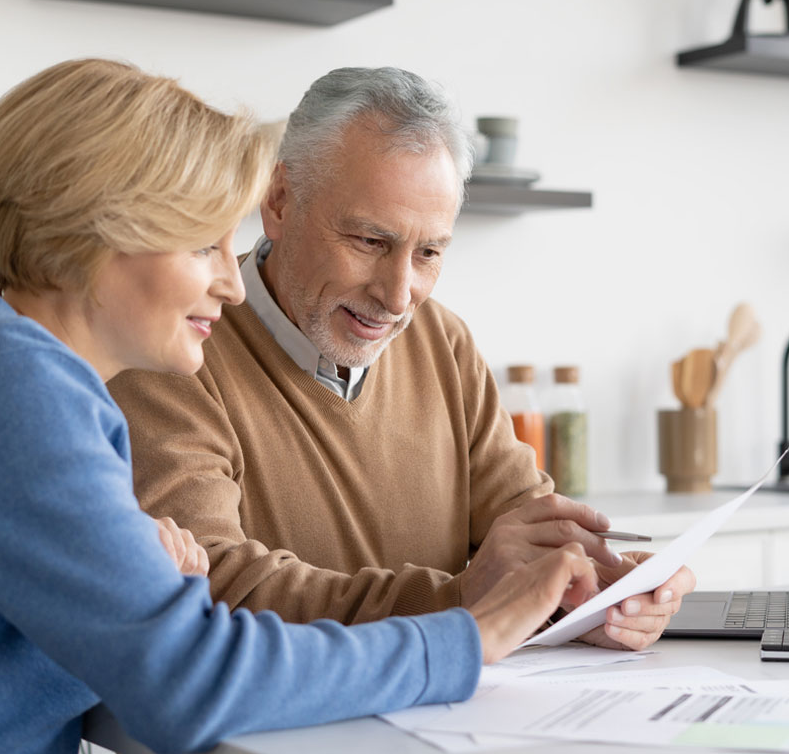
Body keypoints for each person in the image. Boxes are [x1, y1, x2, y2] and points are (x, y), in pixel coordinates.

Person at [0, 59, 601, 754]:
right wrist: (466, 638)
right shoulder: (11, 386)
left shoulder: (3, 371)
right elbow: (188, 679)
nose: (230, 281)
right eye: (202, 245)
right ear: (97, 236)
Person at [110, 68, 694, 645]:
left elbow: (526, 524)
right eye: (370, 242)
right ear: (280, 202)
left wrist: (598, 594)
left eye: (430, 252)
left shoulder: (443, 341)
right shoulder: (173, 348)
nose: (397, 295)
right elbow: (214, 584)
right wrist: (461, 603)